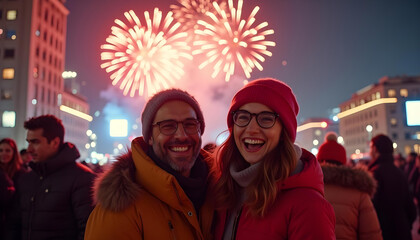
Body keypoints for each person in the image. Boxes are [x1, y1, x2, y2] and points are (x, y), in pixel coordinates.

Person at [213, 78, 336, 239]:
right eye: (243, 117)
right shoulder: (223, 189)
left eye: (266, 119)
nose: (251, 129)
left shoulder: (308, 205)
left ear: (283, 132)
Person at [85, 89, 215, 240]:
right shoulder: (119, 208)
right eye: (168, 126)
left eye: (190, 124)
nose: (181, 135)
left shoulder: (220, 192)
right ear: (150, 137)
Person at [9, 115, 96, 240]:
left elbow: (87, 230)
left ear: (55, 142)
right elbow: (13, 225)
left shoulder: (82, 178)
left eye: (35, 142)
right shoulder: (26, 179)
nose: (29, 149)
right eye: (28, 142)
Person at [317, 133, 382, 239]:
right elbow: (371, 234)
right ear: (344, 163)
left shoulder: (307, 189)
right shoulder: (359, 191)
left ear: (318, 161)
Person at [368, 134, 416, 240]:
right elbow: (410, 207)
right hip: (402, 230)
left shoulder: (374, 173)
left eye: (370, 147)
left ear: (375, 149)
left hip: (384, 231)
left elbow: (372, 208)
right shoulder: (399, 172)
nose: (369, 151)